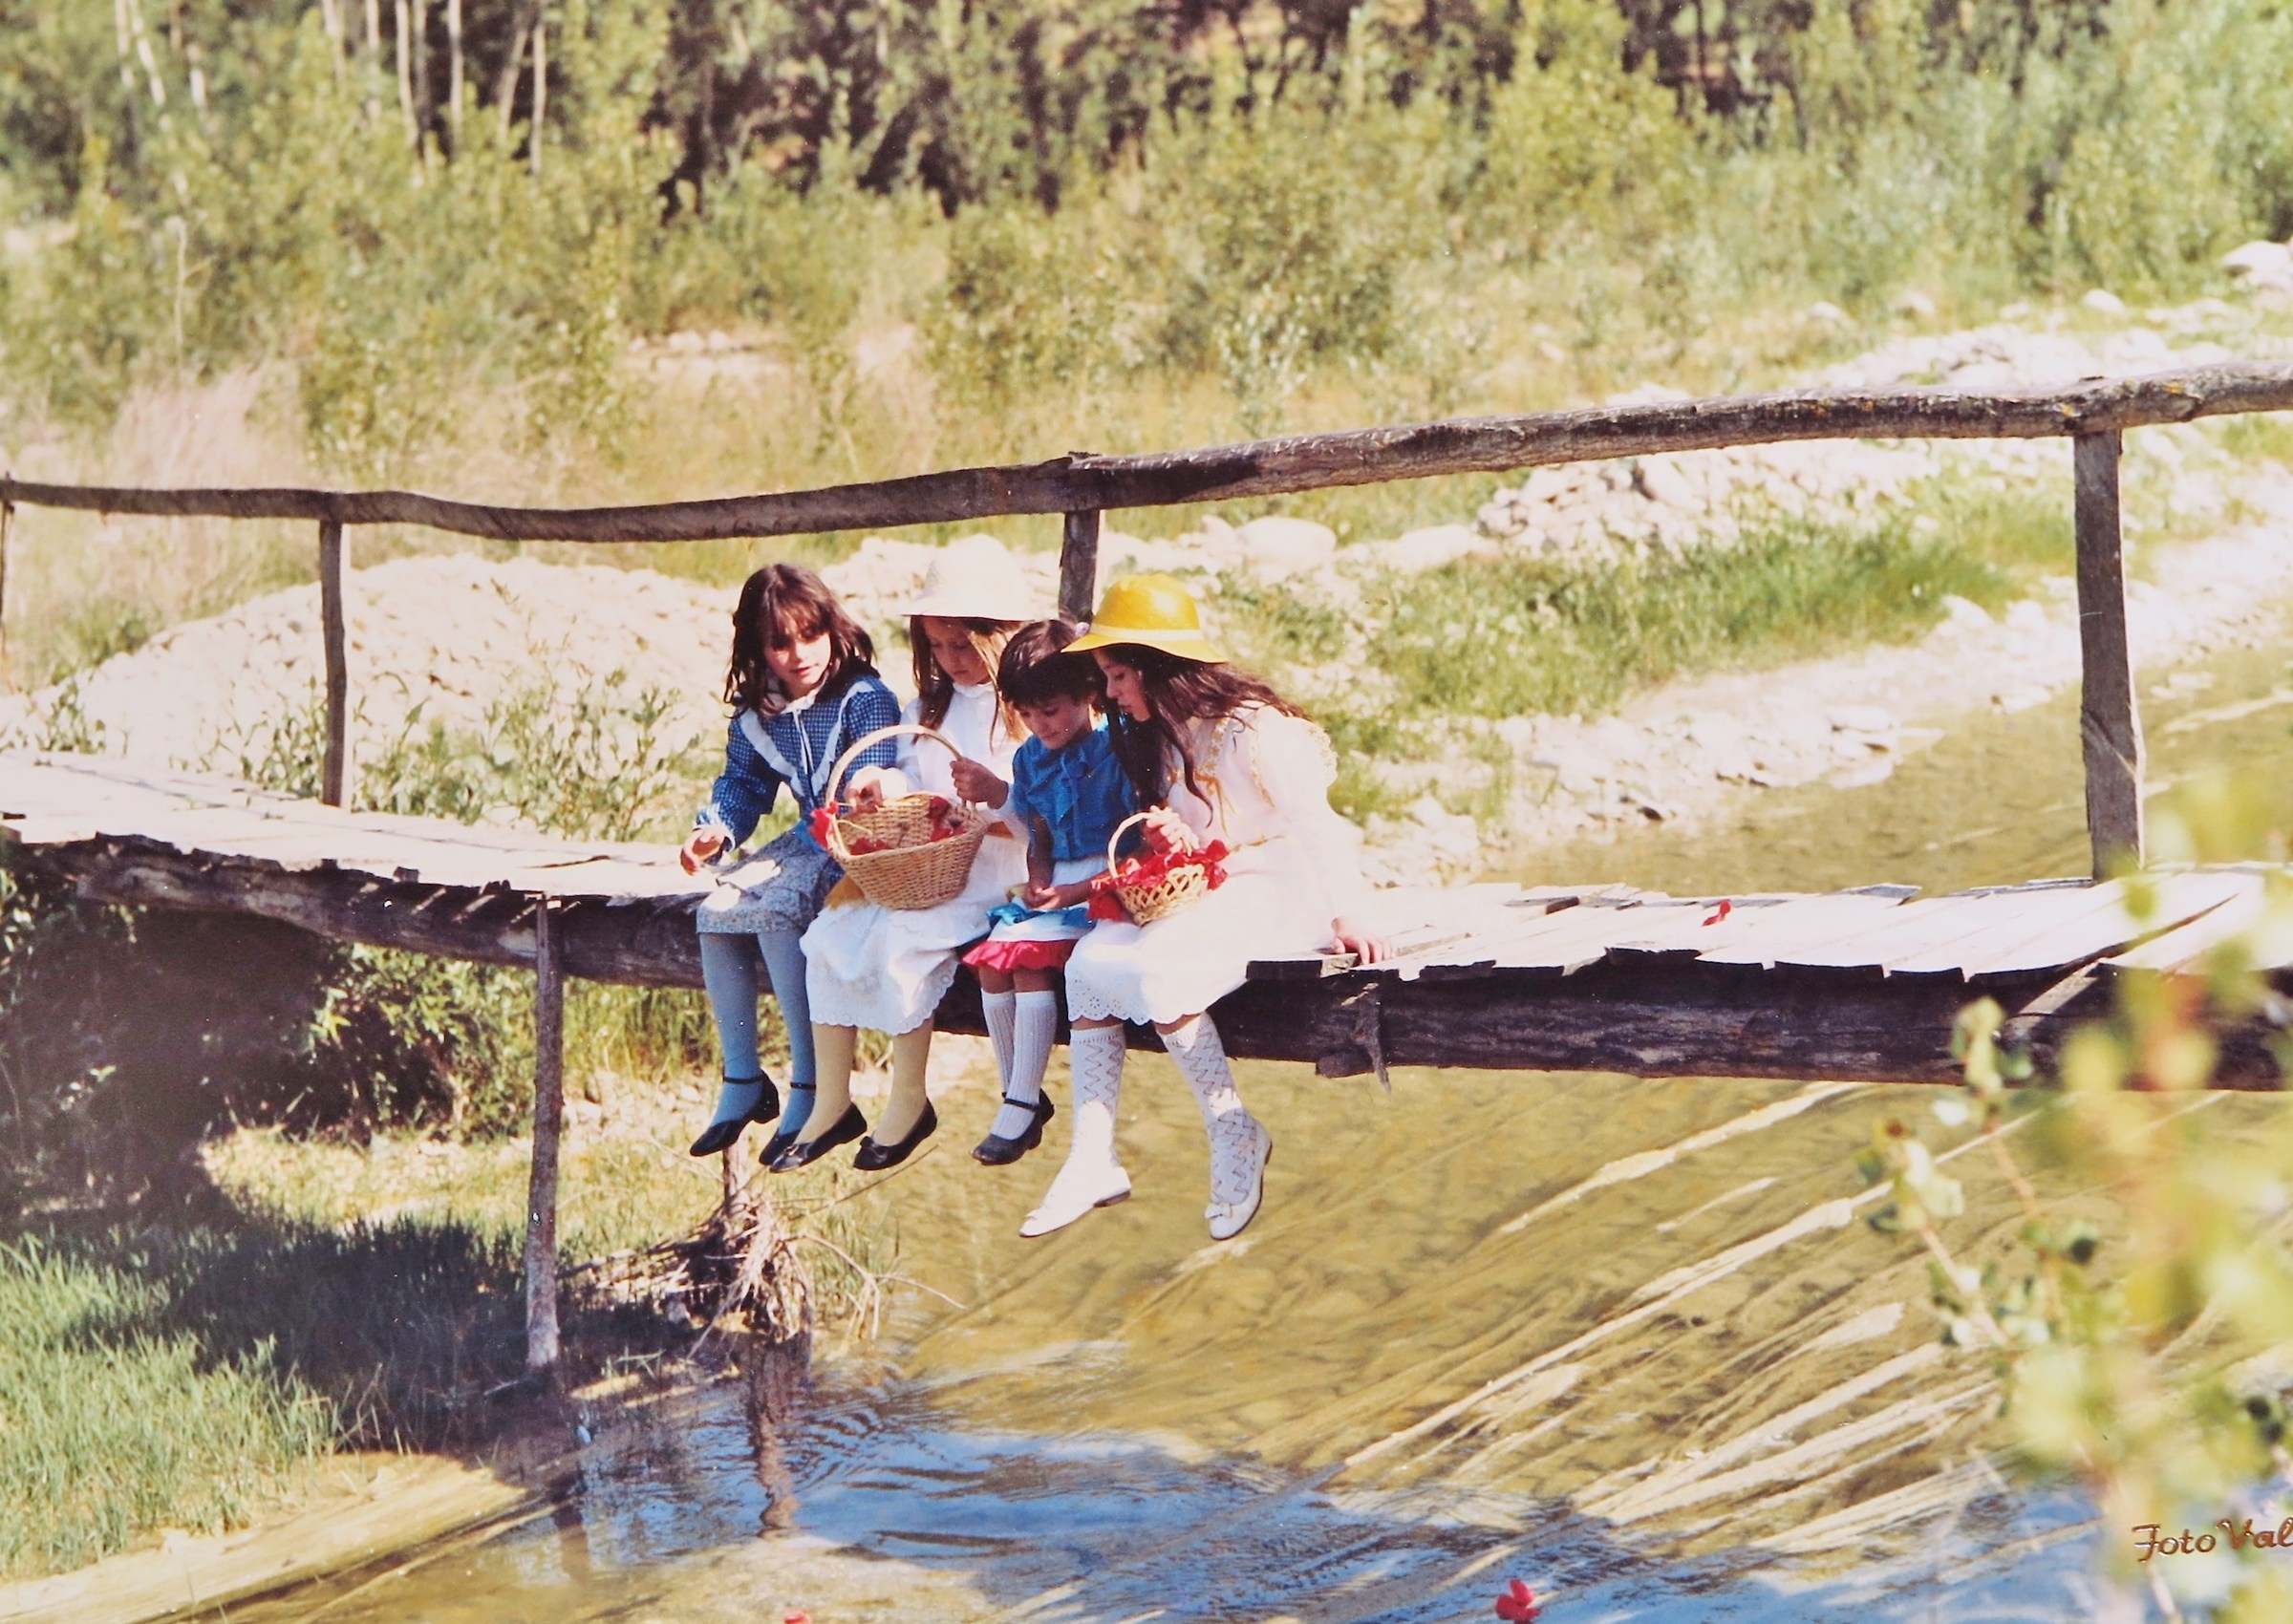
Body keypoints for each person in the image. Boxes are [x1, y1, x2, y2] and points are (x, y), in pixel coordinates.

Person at [1021, 573, 1390, 1243]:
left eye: (1119, 675)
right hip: (1212, 885)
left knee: (1162, 967)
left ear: (1161, 669)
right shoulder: (1157, 733)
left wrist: (1351, 913)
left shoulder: (1257, 730)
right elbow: (1197, 827)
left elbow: (1316, 825)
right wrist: (1174, 835)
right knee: (1089, 963)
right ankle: (1092, 1153)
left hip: (1282, 885)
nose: (1110, 693)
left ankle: (1232, 1126)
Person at [774, 538, 1038, 1172]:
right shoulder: (927, 709)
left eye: (963, 646)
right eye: (938, 648)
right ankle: (833, 1099)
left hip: (999, 872)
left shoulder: (1026, 715)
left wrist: (989, 805)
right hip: (931, 864)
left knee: (903, 942)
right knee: (830, 935)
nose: (951, 661)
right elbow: (914, 781)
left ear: (999, 635)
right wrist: (886, 789)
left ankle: (909, 1099)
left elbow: (1040, 810)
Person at [682, 564, 901, 1163]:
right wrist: (715, 830)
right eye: (780, 643)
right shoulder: (760, 713)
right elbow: (744, 786)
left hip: (859, 842)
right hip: (808, 837)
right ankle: (744, 1077)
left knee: (777, 909)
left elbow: (876, 763)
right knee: (714, 909)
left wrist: (866, 788)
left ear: (831, 629)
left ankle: (813, 1085)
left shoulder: (864, 696)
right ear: (759, 649)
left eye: (810, 635)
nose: (798, 654)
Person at [960, 621, 1141, 1166]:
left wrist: (1070, 891)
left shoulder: (1116, 752)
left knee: (1028, 965)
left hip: (1104, 883)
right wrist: (1039, 877)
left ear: (1087, 695)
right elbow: (1038, 830)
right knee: (994, 963)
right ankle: (1021, 1093)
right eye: (1030, 715)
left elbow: (1134, 851)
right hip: (1059, 880)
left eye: (1053, 710)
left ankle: (1019, 1102)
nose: (1042, 726)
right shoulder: (1028, 759)